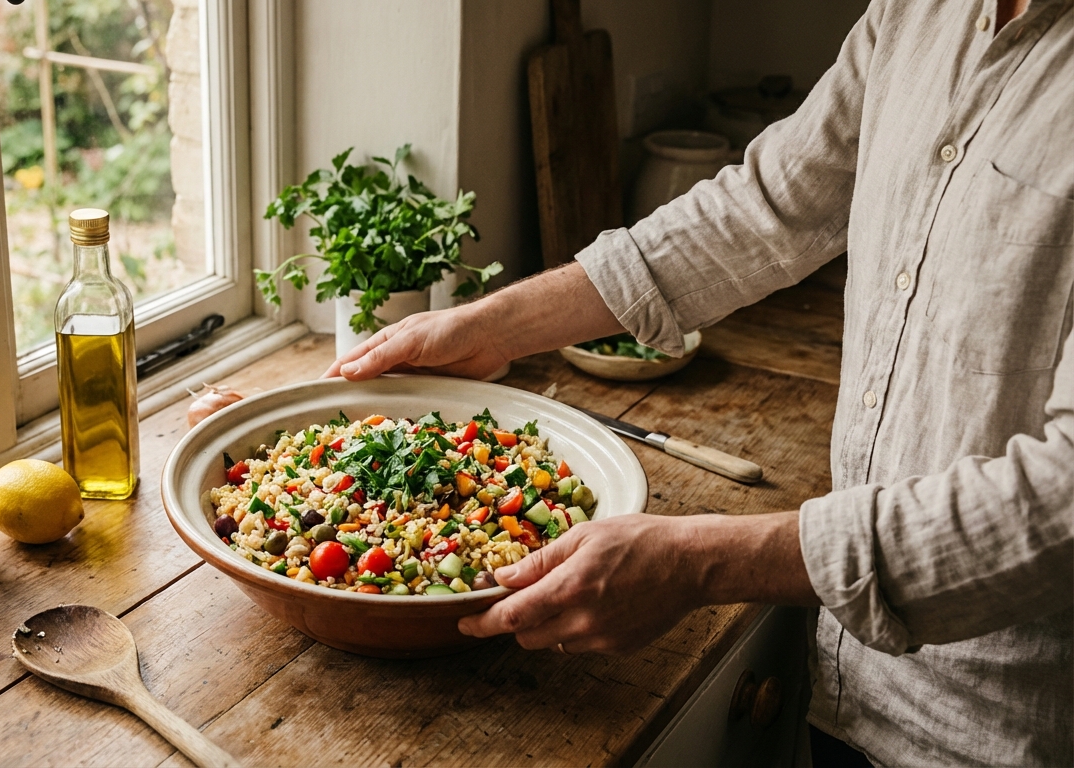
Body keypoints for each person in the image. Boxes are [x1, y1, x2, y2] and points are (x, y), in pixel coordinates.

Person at [325, 0, 1073, 764]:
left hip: (1011, 722)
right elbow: (767, 209)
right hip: (853, 683)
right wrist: (494, 324)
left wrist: (700, 560)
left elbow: (1063, 497)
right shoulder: (918, 11)